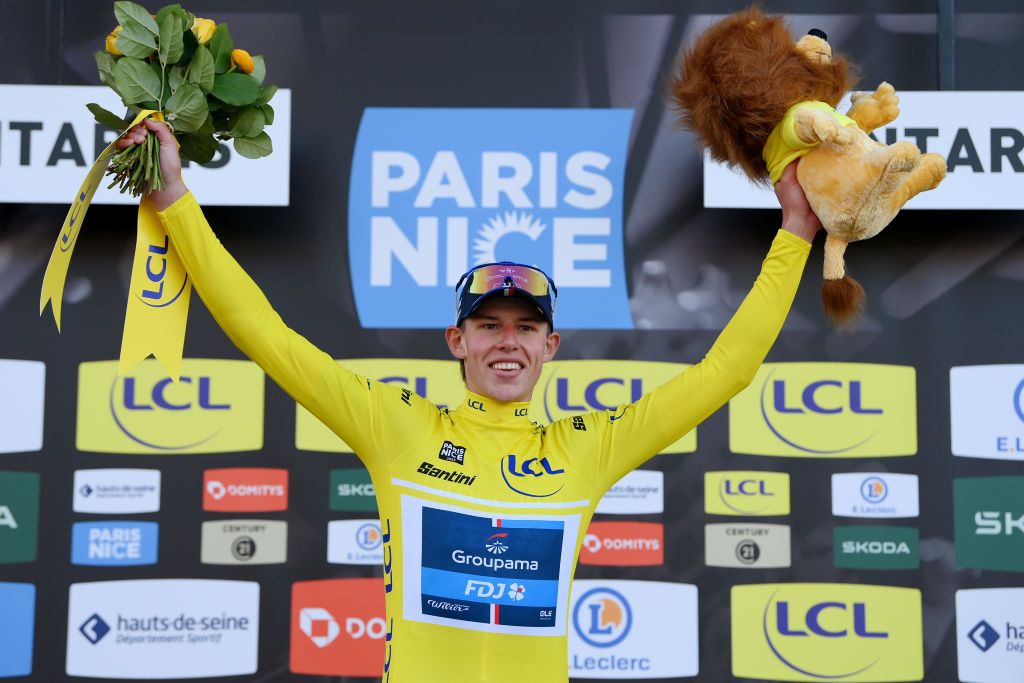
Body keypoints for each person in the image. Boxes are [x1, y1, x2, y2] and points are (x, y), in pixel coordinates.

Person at [120, 118, 818, 683]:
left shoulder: (588, 445)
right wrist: (175, 198)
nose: (506, 342)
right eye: (489, 325)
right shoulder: (396, 425)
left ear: (552, 346)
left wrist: (796, 231)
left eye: (526, 327)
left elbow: (728, 368)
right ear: (457, 339)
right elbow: (264, 334)